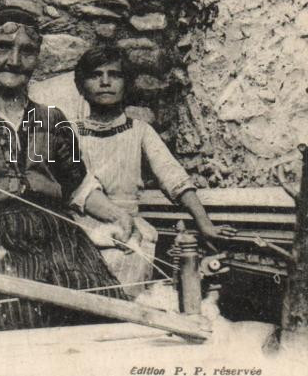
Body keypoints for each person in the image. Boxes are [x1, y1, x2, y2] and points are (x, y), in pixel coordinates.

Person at [0, 6, 133, 334]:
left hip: (56, 239)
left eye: (27, 51)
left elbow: (78, 187)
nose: (13, 60)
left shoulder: (52, 120)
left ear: (36, 59)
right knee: (1, 313)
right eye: (2, 48)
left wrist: (116, 215)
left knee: (94, 312)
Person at [72, 45, 237, 296]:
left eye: (114, 75)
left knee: (127, 294)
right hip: (79, 229)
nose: (105, 82)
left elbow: (174, 177)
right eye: (96, 75)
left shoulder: (139, 131)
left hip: (129, 232)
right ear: (81, 86)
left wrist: (204, 224)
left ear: (126, 84)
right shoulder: (69, 132)